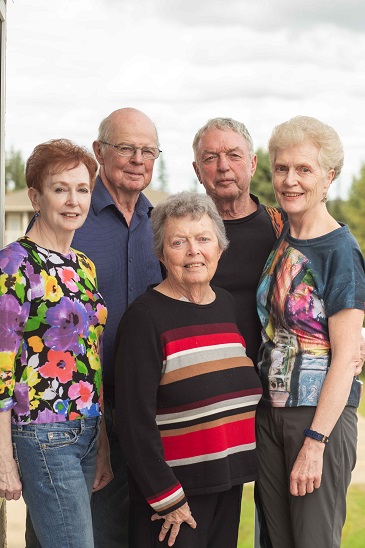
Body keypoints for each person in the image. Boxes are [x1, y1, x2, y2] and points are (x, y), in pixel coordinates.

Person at [114, 192, 263, 547]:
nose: (194, 251)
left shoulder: (226, 305)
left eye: (203, 239)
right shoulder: (145, 318)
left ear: (220, 248)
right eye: (179, 242)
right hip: (173, 501)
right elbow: (134, 422)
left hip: (227, 483)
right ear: (161, 254)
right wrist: (167, 496)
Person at [255, 115, 365, 548]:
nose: (290, 180)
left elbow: (346, 357)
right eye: (282, 168)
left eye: (304, 169)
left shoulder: (340, 251)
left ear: (328, 177)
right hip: (271, 414)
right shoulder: (284, 236)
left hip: (316, 419)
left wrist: (316, 441)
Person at [0, 139, 112, 547]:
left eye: (82, 189)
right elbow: (1, 364)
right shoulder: (15, 263)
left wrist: (101, 444)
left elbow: (91, 356)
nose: (73, 200)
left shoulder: (84, 265)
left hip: (86, 428)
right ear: (35, 196)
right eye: (60, 189)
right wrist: (3, 457)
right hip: (42, 434)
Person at [71, 107, 163, 547]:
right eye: (126, 148)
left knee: (138, 531)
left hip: (146, 408)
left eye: (148, 151)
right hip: (82, 413)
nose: (137, 159)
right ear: (99, 151)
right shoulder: (71, 217)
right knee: (79, 532)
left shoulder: (160, 224)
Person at [192, 117, 285, 548]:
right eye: (210, 157)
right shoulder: (186, 233)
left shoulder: (284, 227)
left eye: (232, 155)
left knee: (281, 520)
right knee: (212, 524)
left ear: (252, 163)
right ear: (197, 170)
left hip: (276, 398)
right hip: (209, 402)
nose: (222, 166)